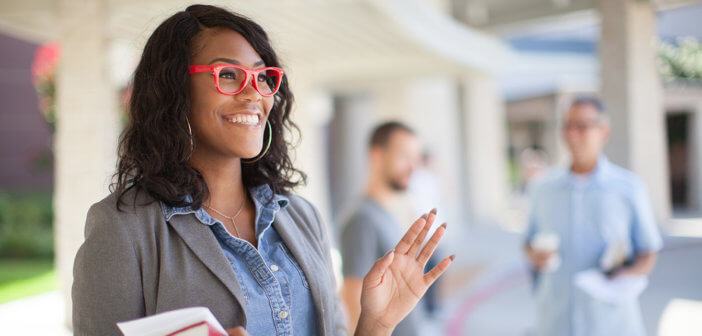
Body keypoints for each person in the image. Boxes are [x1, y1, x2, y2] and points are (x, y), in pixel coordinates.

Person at [71, 5, 454, 336]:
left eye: (262, 76)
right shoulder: (123, 230)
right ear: (175, 90)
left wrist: (376, 324)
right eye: (228, 74)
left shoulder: (301, 217)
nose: (254, 93)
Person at [524, 97, 663, 335]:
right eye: (567, 125)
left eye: (582, 126)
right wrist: (535, 255)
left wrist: (621, 276)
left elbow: (648, 253)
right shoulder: (542, 189)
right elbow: (528, 242)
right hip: (554, 322)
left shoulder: (629, 188)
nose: (572, 134)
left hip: (612, 324)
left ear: (604, 131)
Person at [341, 122, 448, 336]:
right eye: (404, 157)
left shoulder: (387, 213)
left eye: (416, 159)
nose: (413, 167)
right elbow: (354, 308)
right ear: (377, 155)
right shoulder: (362, 220)